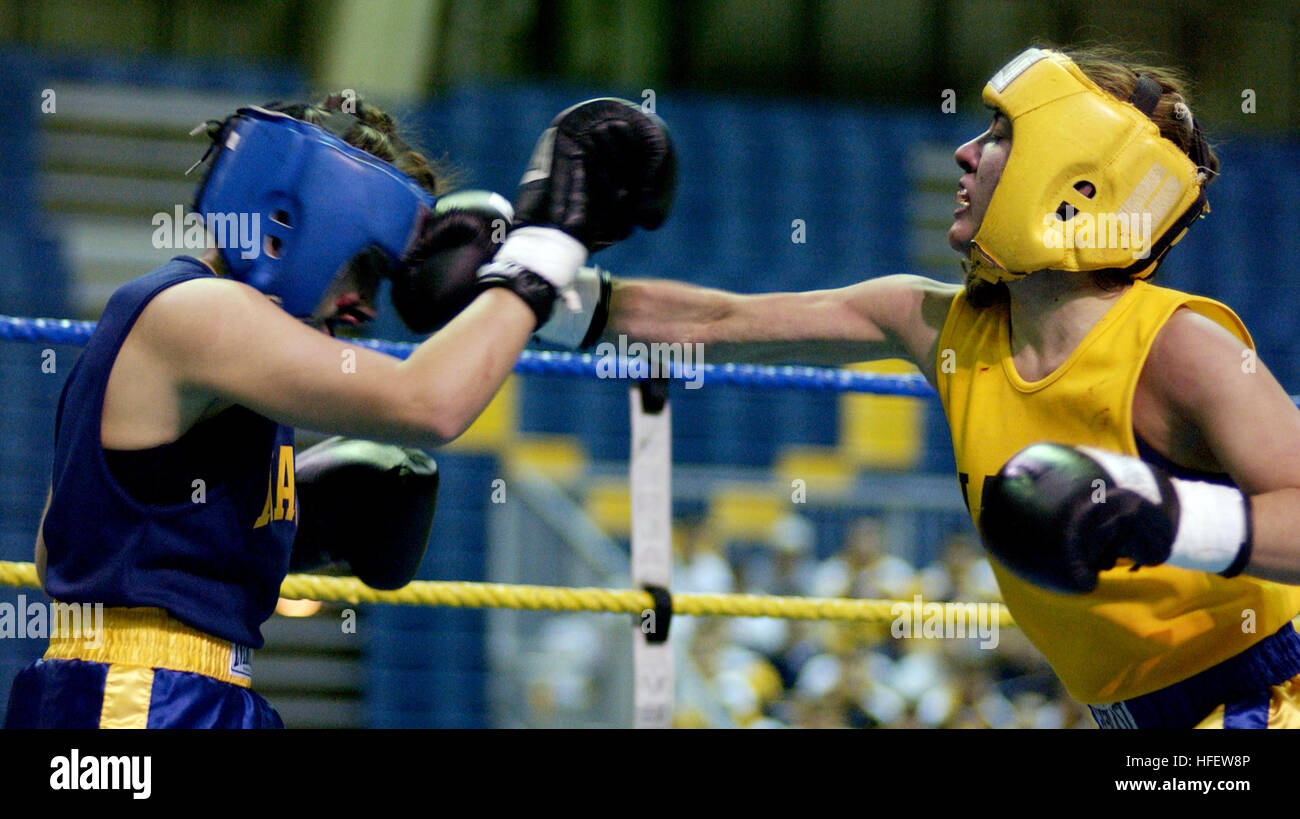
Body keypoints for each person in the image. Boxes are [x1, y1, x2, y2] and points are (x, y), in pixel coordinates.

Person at [538, 46, 1300, 729]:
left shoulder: (1178, 346)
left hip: (1268, 693)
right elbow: (722, 318)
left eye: (1001, 133)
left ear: (1076, 173)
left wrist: (1163, 516)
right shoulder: (937, 322)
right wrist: (535, 283)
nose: (965, 154)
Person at [5, 93, 674, 728]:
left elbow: (57, 544)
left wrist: (265, 532)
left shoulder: (209, 344)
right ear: (294, 224)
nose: (365, 307)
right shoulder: (198, 310)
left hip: (165, 688)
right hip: (137, 698)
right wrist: (548, 245)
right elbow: (432, 403)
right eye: (362, 265)